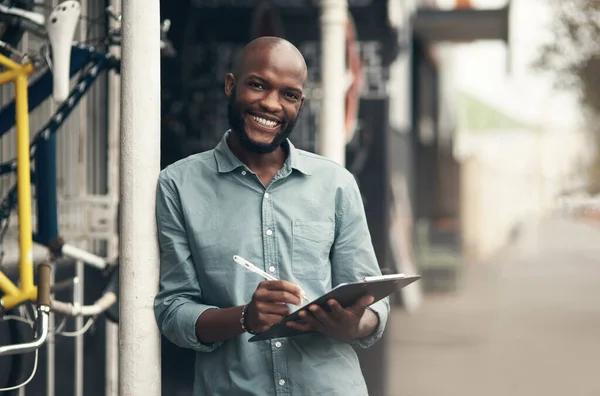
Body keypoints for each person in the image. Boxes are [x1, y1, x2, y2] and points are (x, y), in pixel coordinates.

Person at [154, 36, 390, 396]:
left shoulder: (336, 184)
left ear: (300, 103)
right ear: (231, 85)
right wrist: (245, 317)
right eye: (258, 85)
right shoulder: (178, 185)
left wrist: (353, 326)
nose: (271, 104)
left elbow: (374, 303)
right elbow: (173, 311)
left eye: (289, 95)